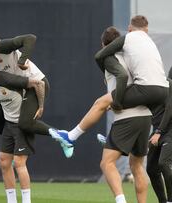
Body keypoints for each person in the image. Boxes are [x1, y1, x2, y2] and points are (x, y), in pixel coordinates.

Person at [52, 15, 169, 150]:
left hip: (147, 88)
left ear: (129, 29)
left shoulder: (127, 39)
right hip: (163, 90)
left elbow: (101, 58)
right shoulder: (149, 42)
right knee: (140, 160)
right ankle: (116, 139)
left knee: (101, 103)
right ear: (147, 29)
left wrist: (117, 102)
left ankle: (71, 137)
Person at [0, 26, 73, 158]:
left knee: (25, 123)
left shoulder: (0, 46)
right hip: (17, 88)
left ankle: (63, 136)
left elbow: (30, 38)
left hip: (36, 84)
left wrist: (22, 61)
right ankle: (14, 147)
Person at [0, 58, 48, 203]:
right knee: (4, 162)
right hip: (9, 124)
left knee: (19, 163)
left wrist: (41, 106)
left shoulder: (7, 79)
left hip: (22, 124)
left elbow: (39, 83)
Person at [94, 27, 152, 203]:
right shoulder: (132, 57)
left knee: (107, 163)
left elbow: (121, 77)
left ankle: (121, 201)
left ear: (104, 44)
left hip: (127, 116)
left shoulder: (108, 58)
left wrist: (117, 101)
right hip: (145, 116)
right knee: (137, 166)